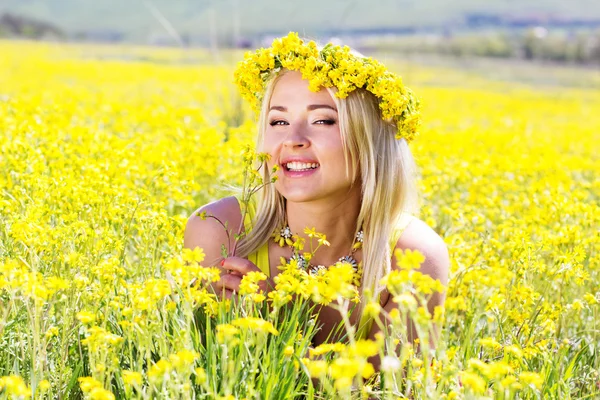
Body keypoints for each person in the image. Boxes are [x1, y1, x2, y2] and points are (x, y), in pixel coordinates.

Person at [184, 32, 449, 370]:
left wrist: (273, 331)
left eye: (322, 120)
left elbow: (395, 391)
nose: (292, 140)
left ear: (368, 139)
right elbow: (201, 374)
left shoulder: (413, 256)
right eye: (278, 121)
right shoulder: (221, 232)